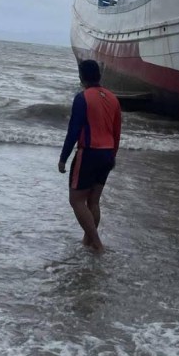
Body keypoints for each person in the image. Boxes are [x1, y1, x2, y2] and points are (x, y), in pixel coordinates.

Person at [58, 59, 121, 253]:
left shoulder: (82, 97)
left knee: (76, 200)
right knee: (93, 201)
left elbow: (74, 130)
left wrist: (63, 158)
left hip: (89, 153)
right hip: (107, 154)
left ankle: (97, 244)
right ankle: (88, 243)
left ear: (81, 76)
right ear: (99, 75)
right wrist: (113, 156)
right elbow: (116, 131)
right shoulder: (113, 98)